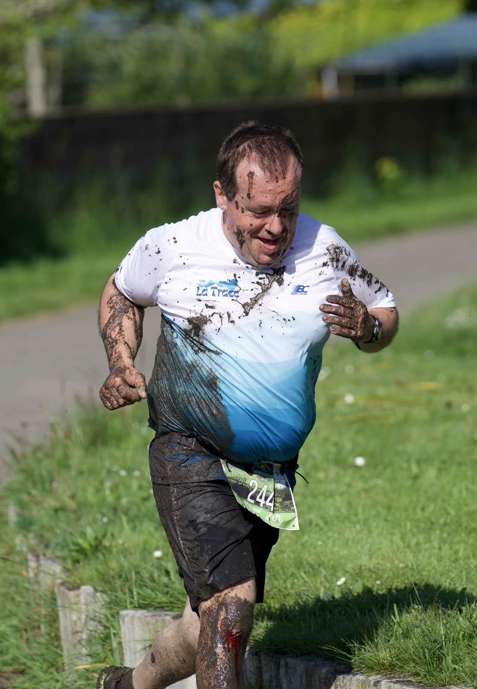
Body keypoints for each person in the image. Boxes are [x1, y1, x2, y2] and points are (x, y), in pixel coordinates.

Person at [95, 122, 398, 689]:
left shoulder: (326, 249)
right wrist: (119, 361)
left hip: (267, 474)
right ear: (222, 196)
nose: (276, 227)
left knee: (206, 623)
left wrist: (367, 329)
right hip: (190, 451)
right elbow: (121, 292)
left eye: (288, 209)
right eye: (258, 211)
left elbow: (384, 310)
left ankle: (127, 686)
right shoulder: (174, 247)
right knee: (231, 610)